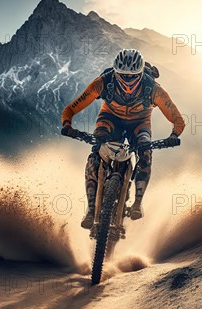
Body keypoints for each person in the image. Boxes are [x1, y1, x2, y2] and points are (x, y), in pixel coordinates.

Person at [61, 49, 185, 229]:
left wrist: (174, 135)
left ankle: (137, 203)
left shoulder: (154, 89)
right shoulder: (102, 82)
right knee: (96, 153)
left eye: (132, 76)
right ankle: (90, 209)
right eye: (123, 75)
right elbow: (70, 109)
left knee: (145, 153)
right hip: (110, 119)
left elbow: (178, 119)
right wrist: (67, 124)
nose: (127, 80)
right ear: (115, 71)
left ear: (141, 73)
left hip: (140, 122)